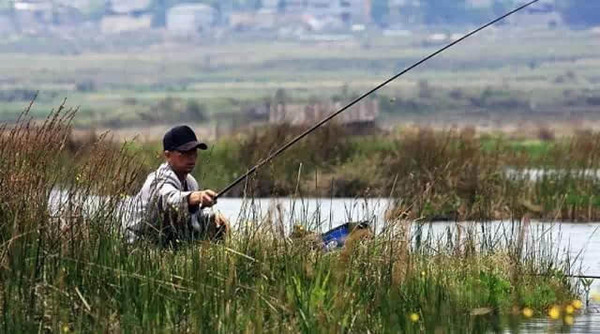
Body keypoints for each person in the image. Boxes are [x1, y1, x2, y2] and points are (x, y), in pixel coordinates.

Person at [124, 125, 228, 246]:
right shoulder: (159, 180)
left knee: (214, 222)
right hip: (138, 248)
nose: (191, 158)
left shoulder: (191, 182)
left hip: (163, 244)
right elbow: (171, 199)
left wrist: (213, 217)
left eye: (194, 152)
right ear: (167, 155)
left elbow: (193, 217)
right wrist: (197, 197)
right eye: (184, 153)